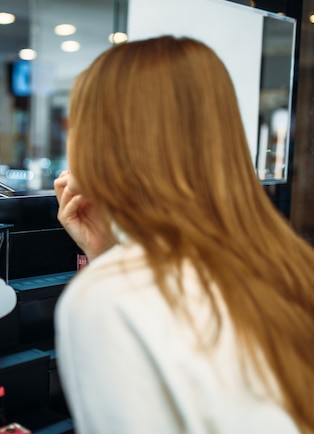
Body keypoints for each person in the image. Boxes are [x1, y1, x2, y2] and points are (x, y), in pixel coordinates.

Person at [54, 36, 314, 434]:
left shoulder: (105, 299)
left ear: (101, 141)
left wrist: (110, 269)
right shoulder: (291, 263)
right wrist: (111, 254)